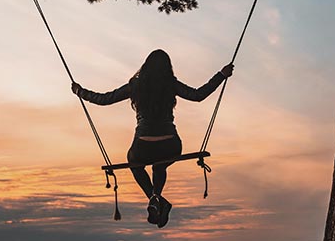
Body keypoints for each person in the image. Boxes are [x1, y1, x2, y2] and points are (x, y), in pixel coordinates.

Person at [71, 49, 233, 228]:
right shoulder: (170, 84)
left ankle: (155, 199)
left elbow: (104, 99)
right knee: (160, 164)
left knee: (135, 164)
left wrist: (80, 91)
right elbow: (198, 95)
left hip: (143, 147)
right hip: (170, 144)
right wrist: (221, 75)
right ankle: (156, 199)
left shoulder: (136, 85)